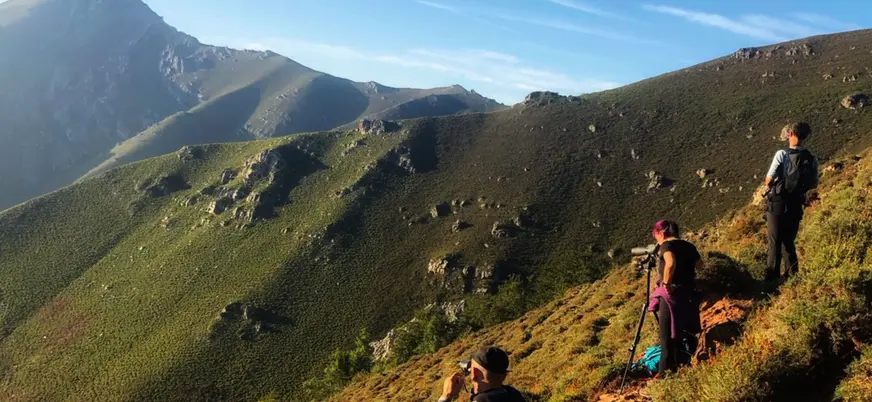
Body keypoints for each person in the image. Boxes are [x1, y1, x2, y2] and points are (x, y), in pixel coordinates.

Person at [763, 122, 819, 286]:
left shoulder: (782, 154)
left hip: (778, 203)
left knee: (774, 242)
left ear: (791, 134)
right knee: (789, 241)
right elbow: (814, 183)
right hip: (796, 203)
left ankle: (771, 281)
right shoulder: (812, 158)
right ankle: (793, 279)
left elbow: (769, 180)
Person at [648, 220, 702, 375]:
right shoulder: (689, 246)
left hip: (672, 297)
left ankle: (665, 377)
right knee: (687, 335)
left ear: (662, 233)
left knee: (667, 342)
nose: (656, 239)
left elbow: (670, 263)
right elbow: (700, 265)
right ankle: (687, 367)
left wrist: (667, 283)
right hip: (689, 295)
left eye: (655, 235)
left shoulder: (666, 246)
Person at [439, 346, 526, 402]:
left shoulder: (481, 400)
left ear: (475, 373)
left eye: (471, 369)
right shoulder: (514, 394)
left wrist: (446, 395)